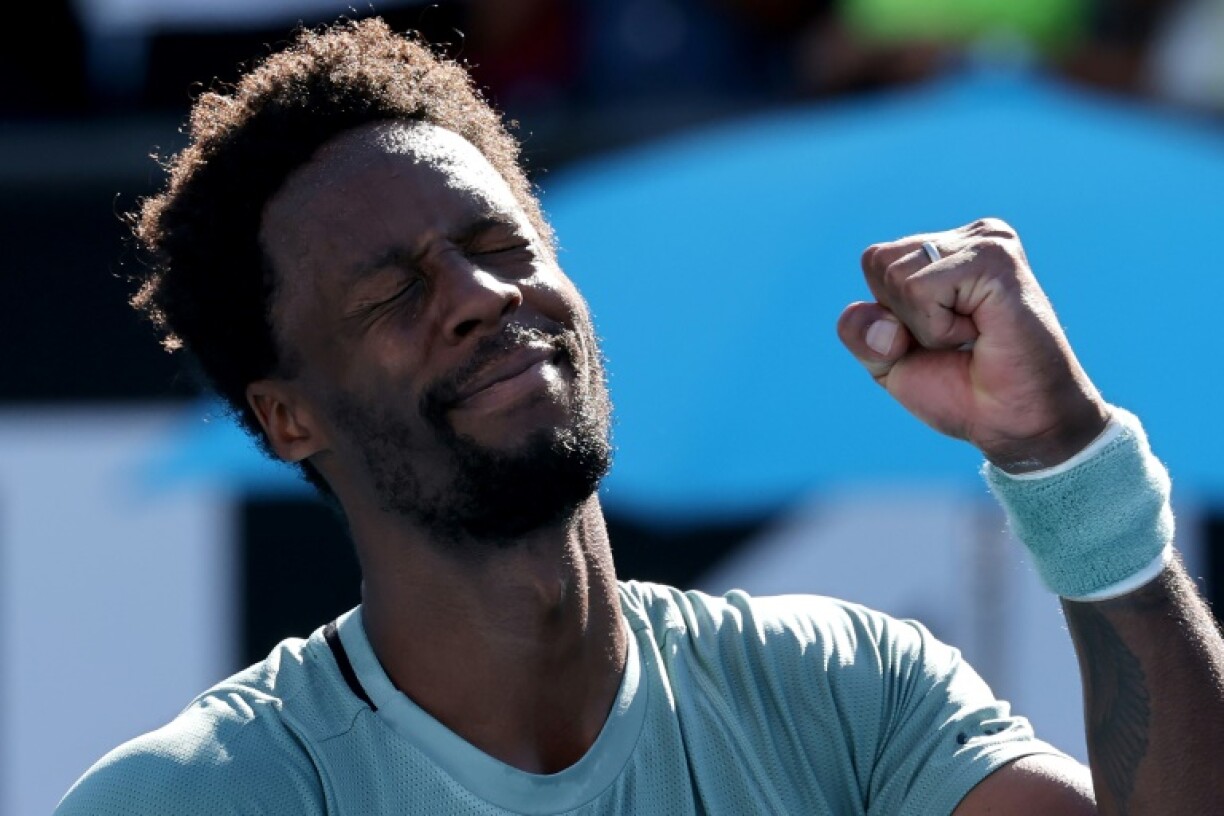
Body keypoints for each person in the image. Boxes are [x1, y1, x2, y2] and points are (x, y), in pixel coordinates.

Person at [55, 15, 1223, 816]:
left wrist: (1062, 458)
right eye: (393, 292)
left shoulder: (843, 687)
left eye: (499, 243)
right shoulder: (201, 792)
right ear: (285, 414)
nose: (478, 297)